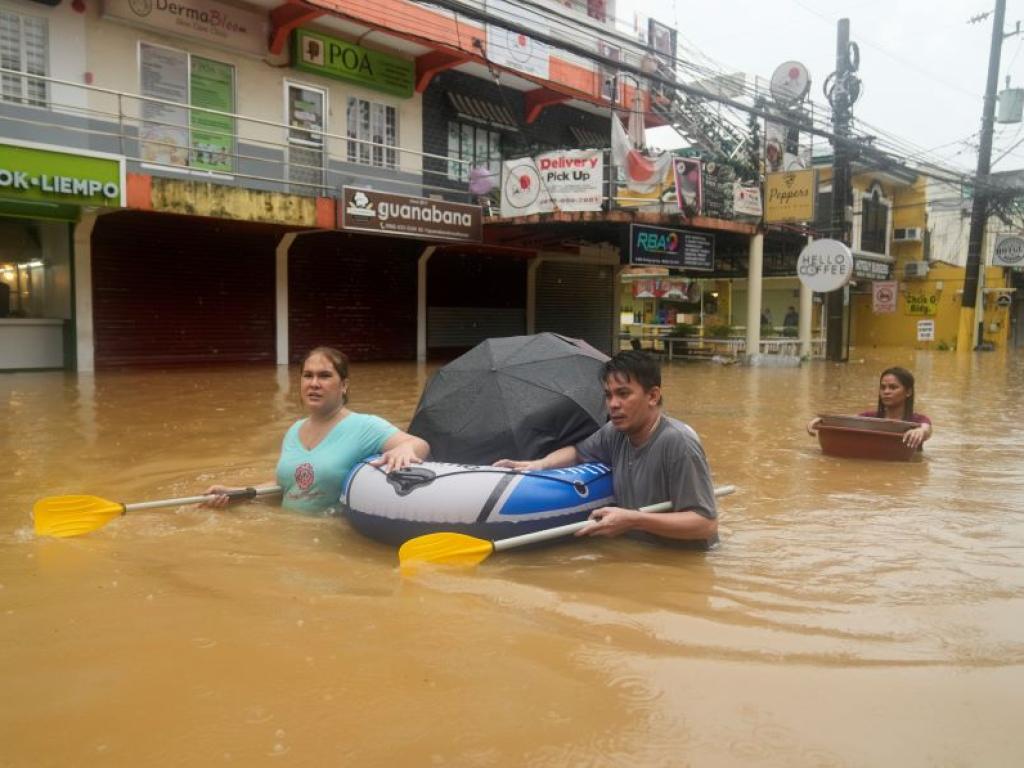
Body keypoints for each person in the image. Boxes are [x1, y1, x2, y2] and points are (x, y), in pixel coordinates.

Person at [495, 350, 718, 543]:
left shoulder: (678, 443)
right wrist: (539, 464)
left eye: (623, 394)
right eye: (608, 395)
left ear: (652, 396)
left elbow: (705, 524)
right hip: (638, 555)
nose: (613, 404)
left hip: (678, 564)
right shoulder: (615, 433)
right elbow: (577, 453)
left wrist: (634, 520)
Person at [205, 346, 430, 513]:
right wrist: (235, 493)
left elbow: (419, 444)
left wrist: (405, 449)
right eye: (308, 375)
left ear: (344, 385)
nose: (314, 383)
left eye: (324, 376)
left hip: (332, 543)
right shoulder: (294, 431)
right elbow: (287, 487)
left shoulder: (364, 426)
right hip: (286, 540)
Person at [806, 366, 932, 449]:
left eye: (893, 387)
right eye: (883, 387)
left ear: (908, 392)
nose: (886, 392)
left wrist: (920, 431)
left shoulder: (918, 421)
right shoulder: (869, 418)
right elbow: (846, 423)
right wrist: (822, 421)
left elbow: (926, 429)